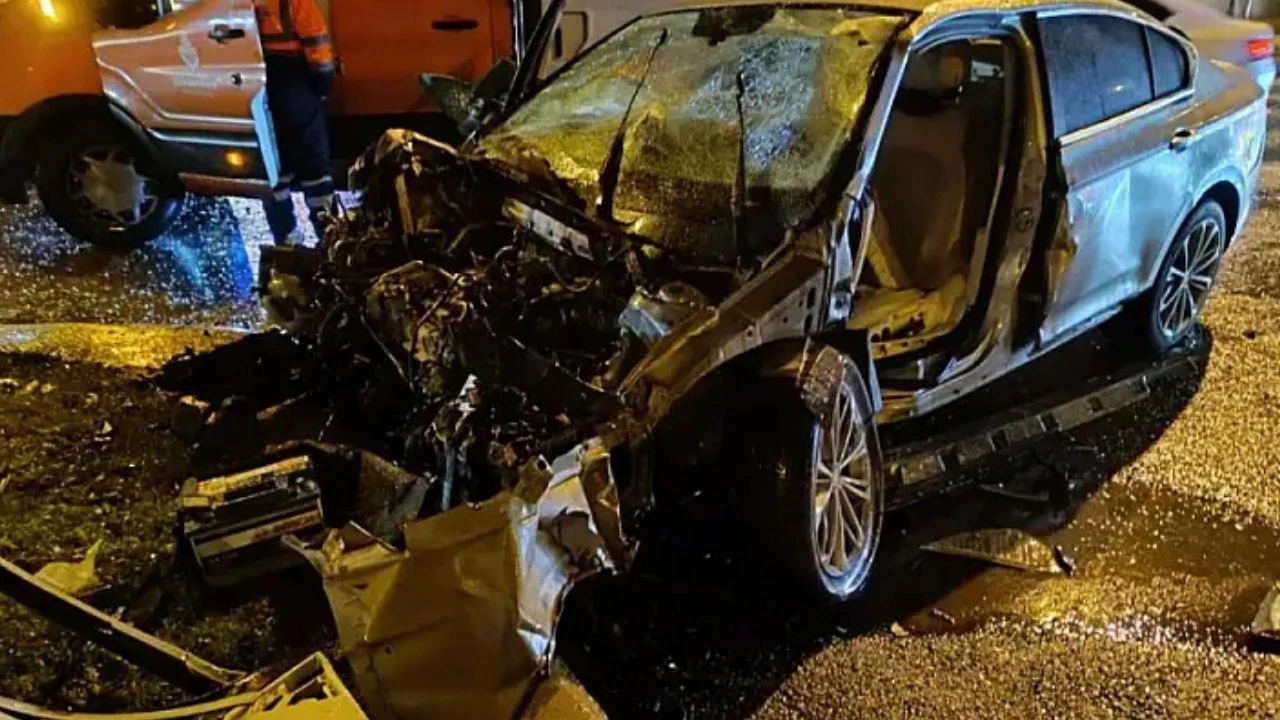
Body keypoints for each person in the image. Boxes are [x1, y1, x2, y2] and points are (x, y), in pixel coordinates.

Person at [253, 0, 336, 246]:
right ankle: (331, 237)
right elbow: (318, 48)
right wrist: (324, 86)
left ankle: (286, 240)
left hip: (258, 91)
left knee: (273, 170)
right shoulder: (297, 3)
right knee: (314, 168)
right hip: (296, 87)